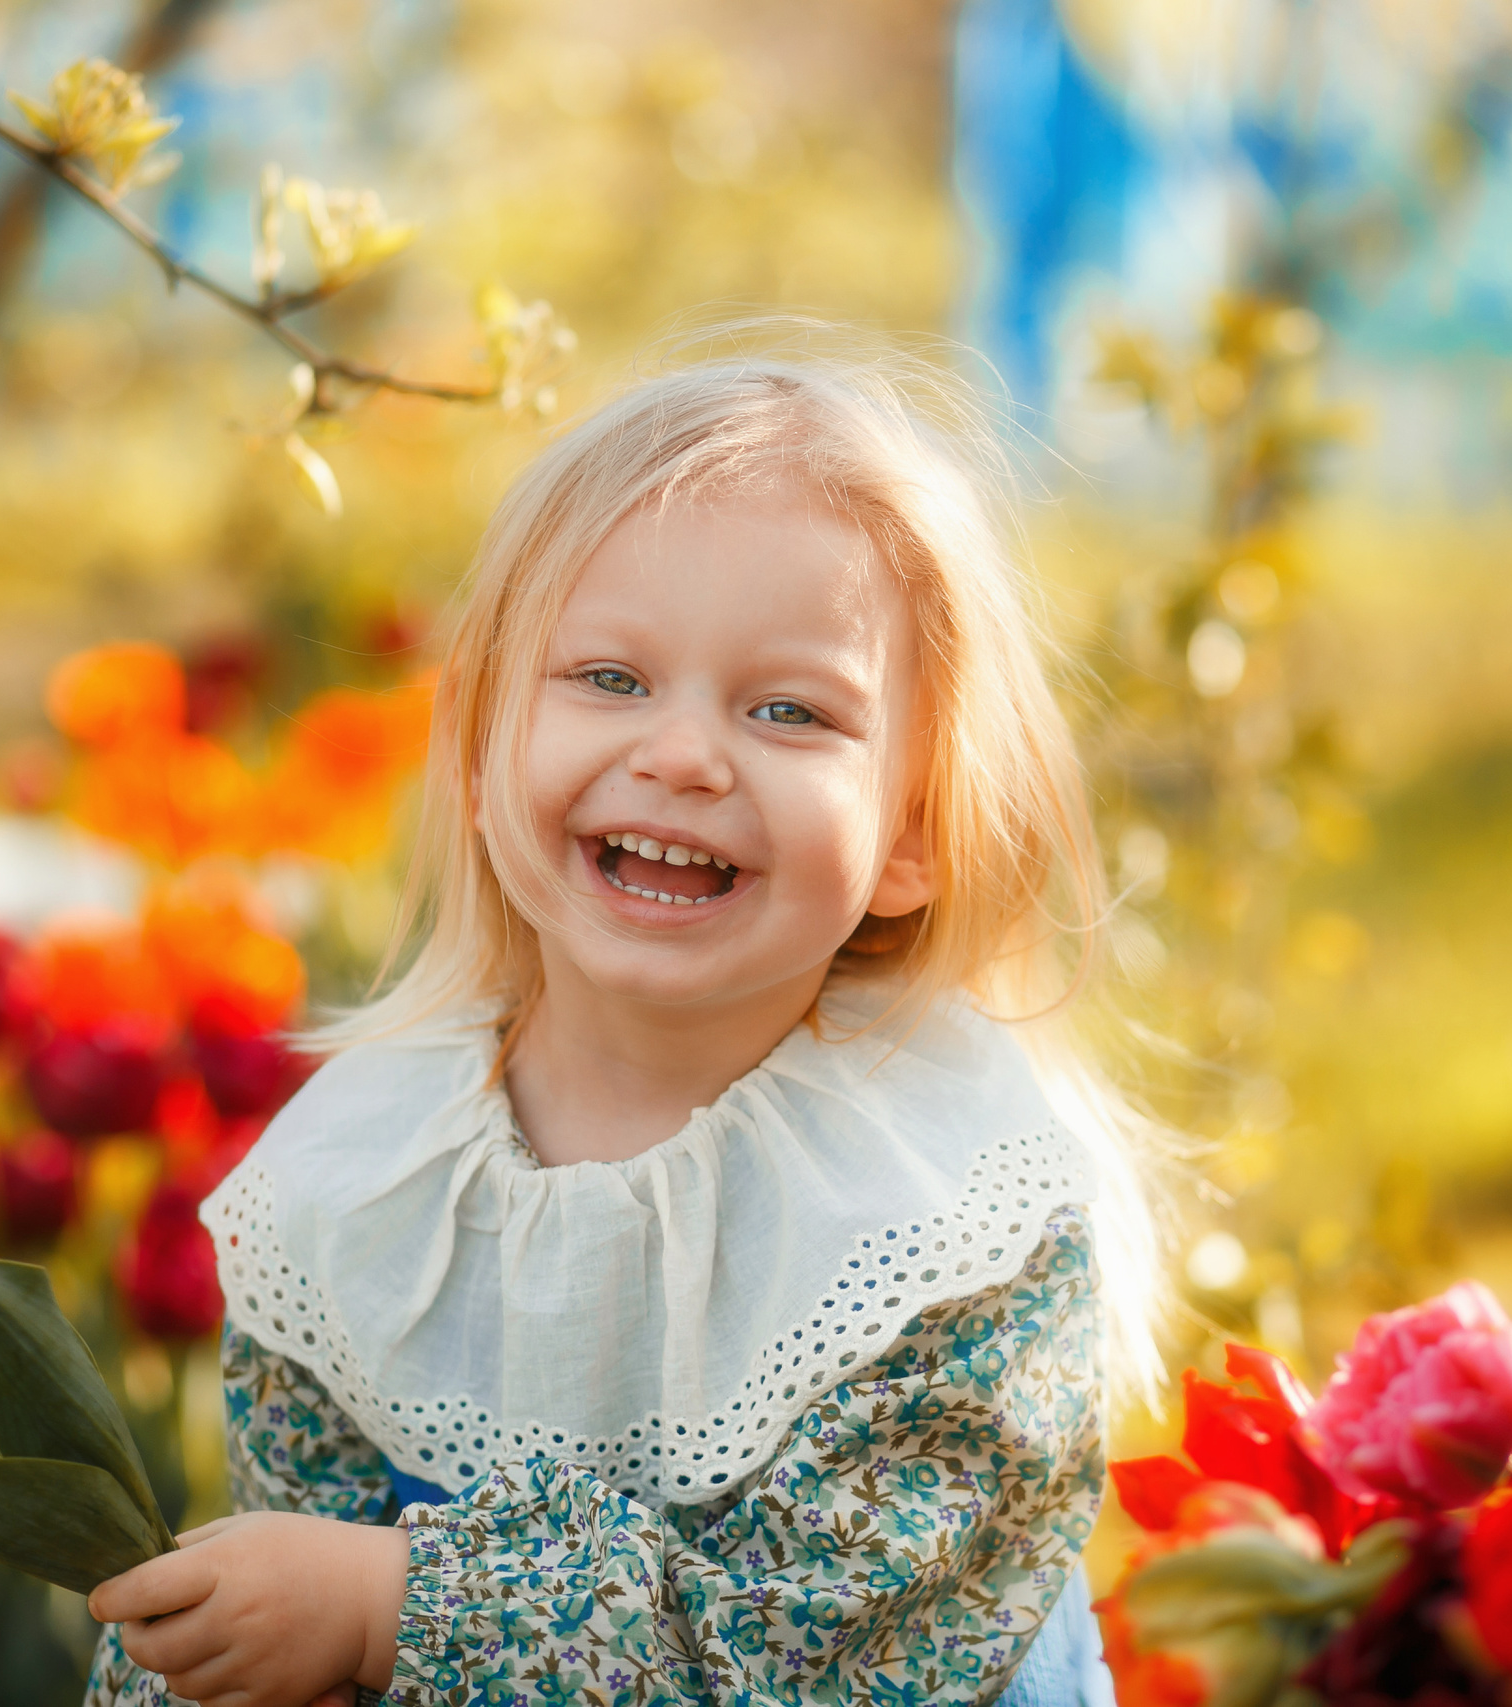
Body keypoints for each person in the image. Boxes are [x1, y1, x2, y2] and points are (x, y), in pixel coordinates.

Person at [83, 345, 1162, 1707]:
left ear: (916, 834)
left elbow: (813, 1658)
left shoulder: (946, 1208)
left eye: (791, 709)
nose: (684, 755)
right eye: (608, 678)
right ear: (477, 754)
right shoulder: (368, 1182)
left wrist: (391, 1610)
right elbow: (302, 1589)